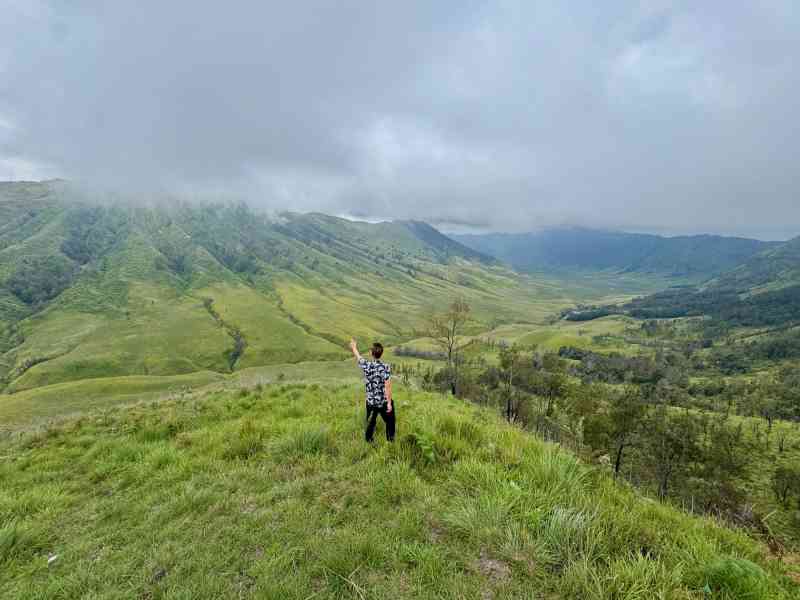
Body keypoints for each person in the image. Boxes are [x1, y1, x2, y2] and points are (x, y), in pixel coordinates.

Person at [349, 338, 394, 442]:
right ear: (381, 354)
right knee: (390, 421)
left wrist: (354, 347)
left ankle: (369, 441)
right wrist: (389, 403)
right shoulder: (385, 367)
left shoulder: (367, 365)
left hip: (370, 401)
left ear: (371, 353)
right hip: (382, 401)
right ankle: (390, 440)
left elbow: (358, 356)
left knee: (371, 422)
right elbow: (388, 386)